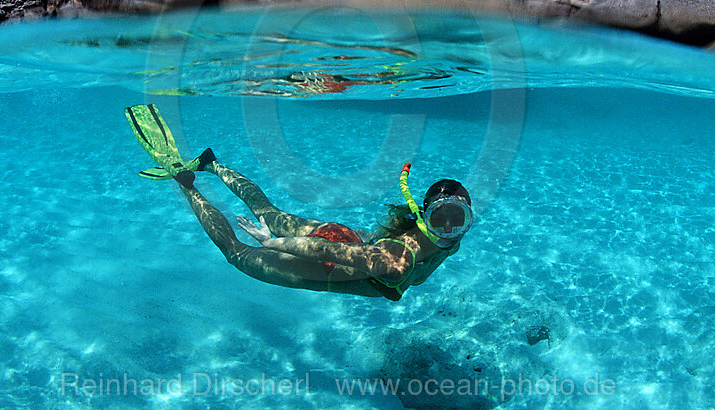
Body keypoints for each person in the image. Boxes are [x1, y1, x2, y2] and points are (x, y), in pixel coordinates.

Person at [125, 105, 472, 300]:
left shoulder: (449, 242)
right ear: (423, 214)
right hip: (328, 262)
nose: (449, 228)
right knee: (236, 253)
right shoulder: (395, 263)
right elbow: (324, 252)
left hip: (350, 241)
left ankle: (212, 164)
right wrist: (273, 243)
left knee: (269, 213)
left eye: (460, 219)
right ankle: (186, 183)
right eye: (442, 217)